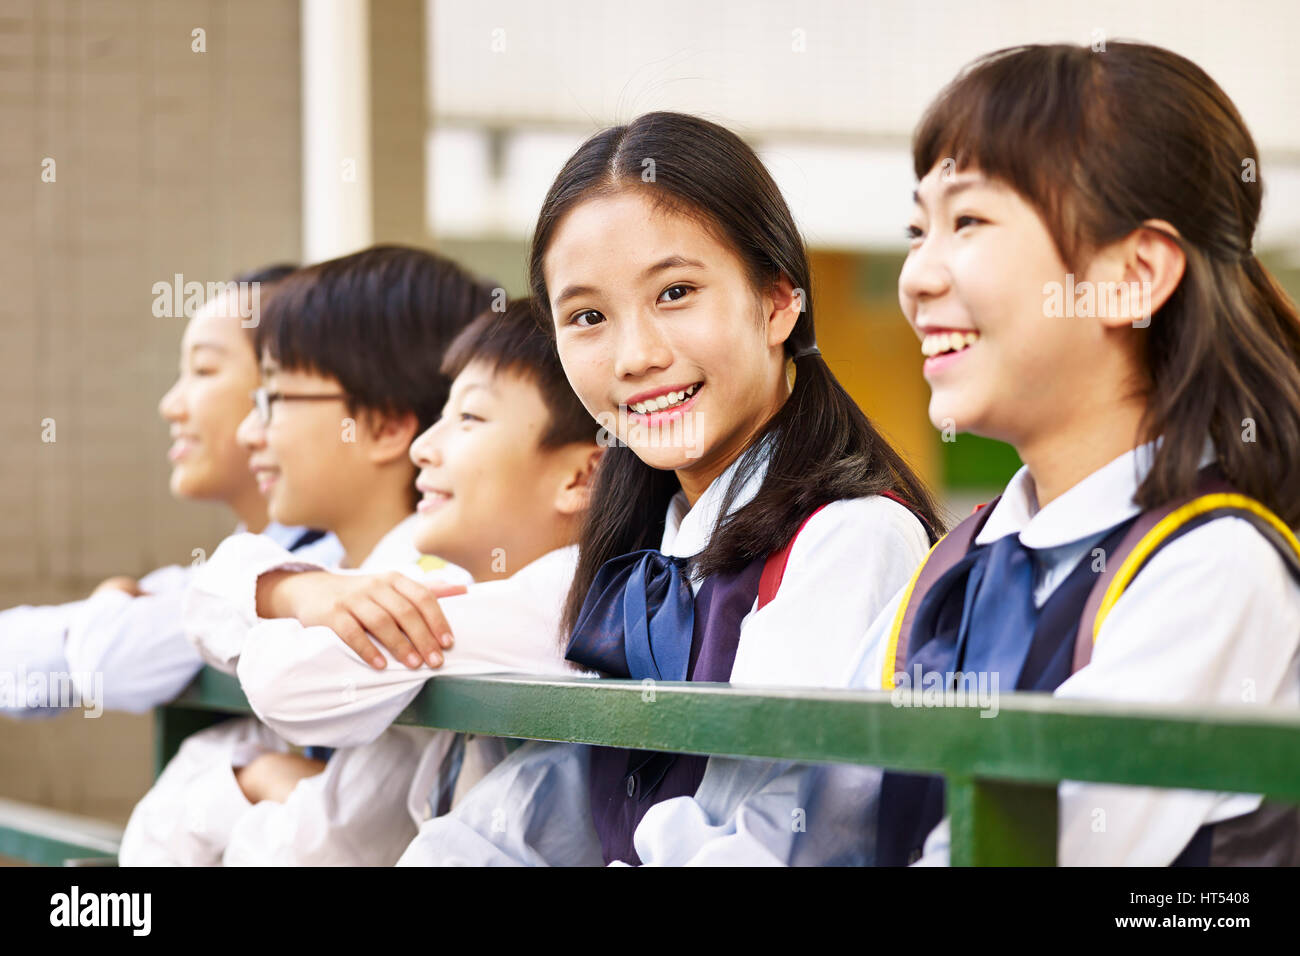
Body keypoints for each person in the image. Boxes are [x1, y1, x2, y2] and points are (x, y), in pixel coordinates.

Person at [399, 110, 942, 866]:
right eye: (588, 316)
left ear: (780, 299)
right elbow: (565, 793)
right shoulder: (644, 547)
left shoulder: (849, 539)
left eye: (676, 292)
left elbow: (778, 837)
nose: (634, 356)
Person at [847, 41, 1300, 866]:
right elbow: (804, 811)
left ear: (1131, 274)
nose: (916, 274)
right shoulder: (954, 562)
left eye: (968, 221)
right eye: (919, 229)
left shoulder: (1215, 567)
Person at [118, 245, 496, 865]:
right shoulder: (334, 568)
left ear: (383, 427)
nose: (249, 432)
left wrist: (254, 777)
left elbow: (326, 844)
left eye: (276, 399)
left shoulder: (428, 593)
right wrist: (291, 590)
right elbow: (209, 598)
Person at [0, 265, 335, 720]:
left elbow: (112, 660)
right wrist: (108, 612)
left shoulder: (329, 572)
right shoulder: (221, 573)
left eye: (204, 369)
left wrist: (110, 611)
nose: (171, 405)